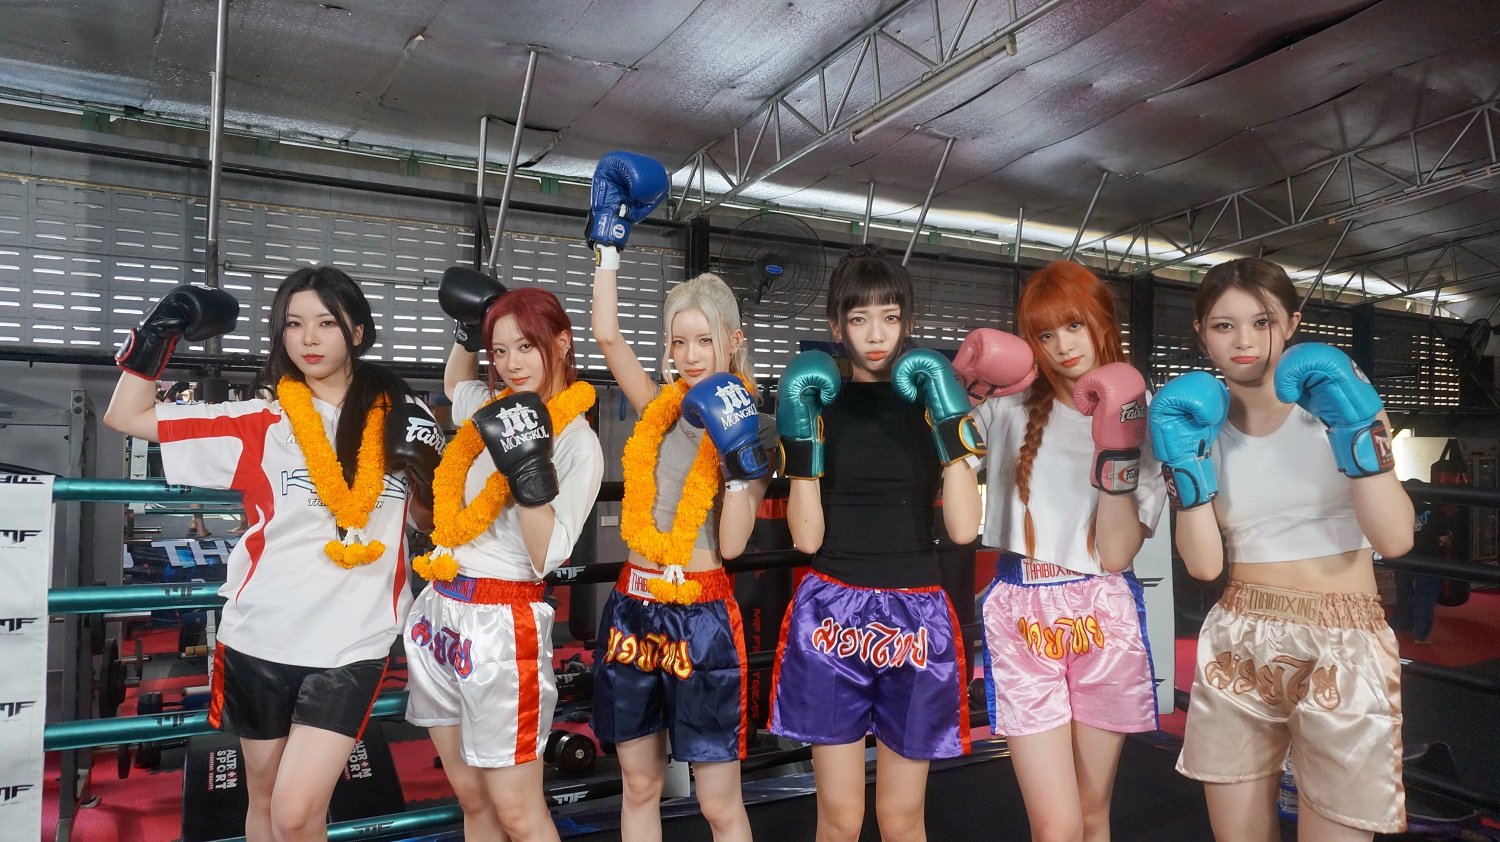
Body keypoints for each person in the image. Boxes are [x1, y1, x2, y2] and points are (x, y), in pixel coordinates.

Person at [102, 266, 442, 842]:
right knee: (262, 799)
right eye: (294, 324)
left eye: (326, 323)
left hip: (353, 642)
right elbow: (126, 416)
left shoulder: (404, 417)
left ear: (358, 331)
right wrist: (159, 332)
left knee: (295, 812)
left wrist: (427, 475)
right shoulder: (261, 422)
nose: (309, 338)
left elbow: (427, 522)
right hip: (260, 637)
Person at [1153, 256, 1414, 840]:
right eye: (1224, 325)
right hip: (1239, 632)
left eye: (1262, 321)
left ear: (1292, 324)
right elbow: (1204, 566)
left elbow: (1396, 538)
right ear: (1201, 333)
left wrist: (1355, 429)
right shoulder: (1196, 422)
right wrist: (1184, 466)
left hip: (1344, 636)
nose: (1244, 341)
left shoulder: (1342, 400)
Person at [587, 151, 773, 842]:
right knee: (639, 785)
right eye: (678, 342)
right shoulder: (658, 408)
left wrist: (740, 462)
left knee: (718, 802)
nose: (690, 355)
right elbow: (607, 336)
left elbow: (732, 546)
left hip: (701, 615)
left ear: (733, 341)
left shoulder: (754, 426)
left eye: (703, 341)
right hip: (634, 605)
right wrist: (609, 247)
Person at [770, 244, 983, 842]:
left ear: (907, 321)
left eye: (889, 317)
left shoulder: (930, 401)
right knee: (840, 817)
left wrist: (951, 427)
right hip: (833, 610)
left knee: (902, 817)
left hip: (916, 612)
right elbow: (807, 537)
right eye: (859, 318)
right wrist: (802, 444)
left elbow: (963, 530)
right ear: (837, 325)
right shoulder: (820, 403)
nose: (875, 334)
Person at [958, 260, 1166, 842]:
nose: (1062, 346)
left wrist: (1115, 448)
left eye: (1073, 326)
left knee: (1093, 814)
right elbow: (942, 472)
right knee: (1056, 825)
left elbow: (1118, 553)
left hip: (1101, 606)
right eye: (1045, 334)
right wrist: (961, 391)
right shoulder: (1008, 403)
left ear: (1102, 321)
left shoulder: (1136, 410)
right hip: (1023, 606)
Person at [404, 272, 604, 842]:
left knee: (517, 810)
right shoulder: (491, 407)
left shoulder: (577, 444)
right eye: (499, 351)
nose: (512, 364)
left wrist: (528, 469)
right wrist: (469, 332)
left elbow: (548, 556)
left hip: (502, 623)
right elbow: (455, 383)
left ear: (561, 343)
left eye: (526, 347)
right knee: (472, 799)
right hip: (440, 610)